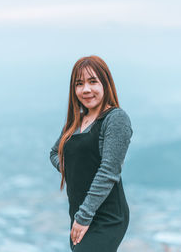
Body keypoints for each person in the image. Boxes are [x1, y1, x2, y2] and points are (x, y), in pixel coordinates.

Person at [50, 55, 133, 252]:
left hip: (106, 216)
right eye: (79, 84)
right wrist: (76, 171)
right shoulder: (75, 122)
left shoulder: (115, 119)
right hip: (79, 211)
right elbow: (54, 153)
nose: (86, 89)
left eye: (93, 81)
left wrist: (83, 217)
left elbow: (108, 172)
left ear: (106, 83)